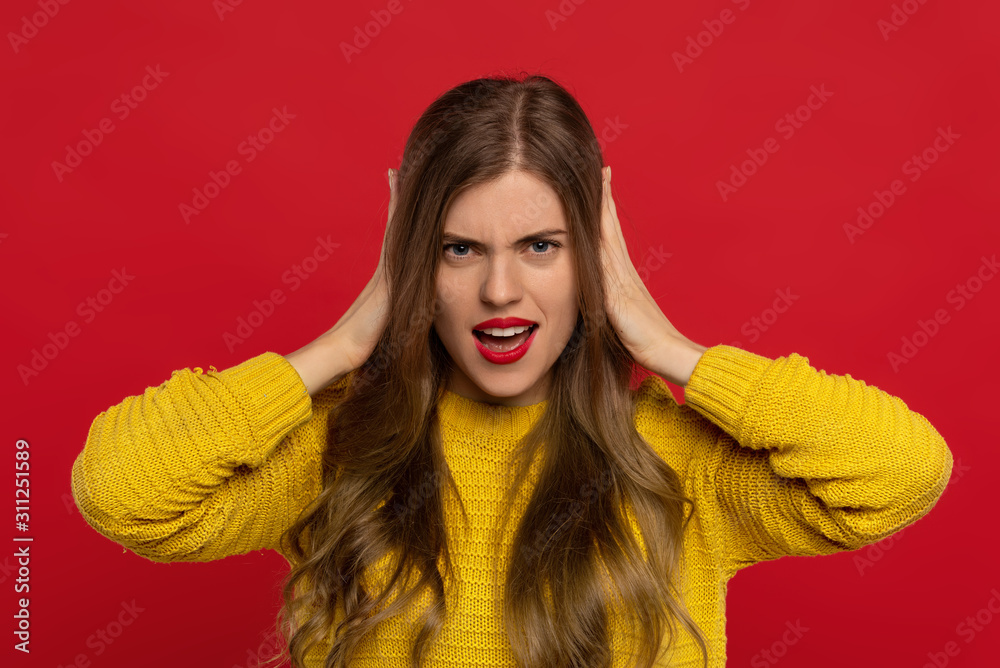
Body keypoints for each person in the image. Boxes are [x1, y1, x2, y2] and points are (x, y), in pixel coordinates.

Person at [70, 74, 954, 668]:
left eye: (541, 246)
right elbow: (121, 489)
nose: (500, 290)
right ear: (415, 259)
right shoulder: (340, 447)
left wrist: (666, 346)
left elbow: (902, 471)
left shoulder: (675, 460)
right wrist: (347, 339)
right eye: (458, 249)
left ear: (595, 258)